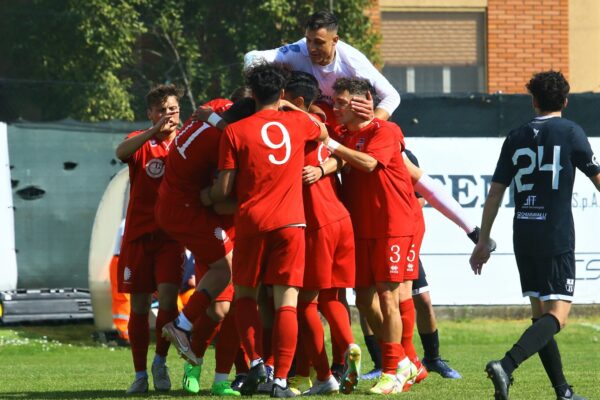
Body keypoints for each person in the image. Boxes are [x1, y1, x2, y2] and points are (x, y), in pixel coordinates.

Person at [470, 71, 600, 400]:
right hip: (554, 232)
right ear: (565, 101)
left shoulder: (516, 136)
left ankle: (563, 391)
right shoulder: (572, 132)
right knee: (558, 316)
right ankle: (506, 364)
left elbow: (495, 195)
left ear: (533, 100)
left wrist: (483, 241)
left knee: (540, 316)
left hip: (523, 232)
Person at [203, 63, 328, 398]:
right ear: (283, 94)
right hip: (292, 223)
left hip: (252, 223)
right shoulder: (299, 122)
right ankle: (282, 381)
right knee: (287, 300)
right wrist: (289, 109)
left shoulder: (235, 131)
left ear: (253, 93)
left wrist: (209, 195)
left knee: (245, 295)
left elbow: (224, 190)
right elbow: (323, 132)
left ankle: (257, 361)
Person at [323, 77, 419, 395]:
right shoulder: (345, 135)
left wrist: (333, 146)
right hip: (361, 229)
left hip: (392, 226)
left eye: (341, 103)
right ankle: (404, 361)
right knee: (363, 300)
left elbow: (368, 164)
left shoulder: (385, 131)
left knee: (389, 296)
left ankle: (391, 370)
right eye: (334, 102)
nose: (335, 109)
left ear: (363, 100)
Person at [156, 98, 254, 397]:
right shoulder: (230, 137)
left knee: (234, 303)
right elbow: (219, 195)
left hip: (187, 209)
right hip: (195, 214)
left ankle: (223, 376)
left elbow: (209, 114)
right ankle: (186, 336)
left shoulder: (216, 112)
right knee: (224, 285)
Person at [283, 71, 360, 396]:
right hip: (341, 217)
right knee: (332, 298)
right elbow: (335, 151)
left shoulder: (294, 125)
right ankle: (349, 349)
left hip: (317, 222)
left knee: (304, 303)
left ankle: (325, 375)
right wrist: (327, 166)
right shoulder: (320, 125)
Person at [115, 84, 185, 394]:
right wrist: (153, 131)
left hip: (171, 237)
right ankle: (140, 374)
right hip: (138, 237)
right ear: (150, 114)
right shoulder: (140, 141)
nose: (167, 115)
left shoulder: (187, 143)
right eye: (161, 110)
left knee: (169, 299)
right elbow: (120, 152)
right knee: (139, 306)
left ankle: (160, 360)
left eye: (172, 109)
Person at [244, 10, 400, 122]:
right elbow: (252, 57)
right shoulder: (298, 50)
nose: (311, 48)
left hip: (343, 126)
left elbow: (392, 96)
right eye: (308, 40)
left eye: (319, 43)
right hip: (310, 122)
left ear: (335, 40)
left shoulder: (353, 60)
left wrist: (373, 121)